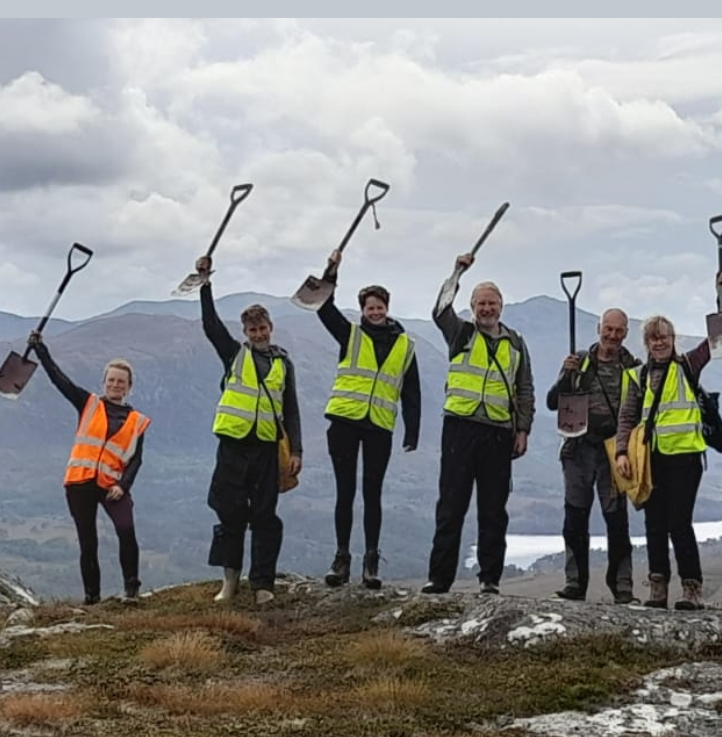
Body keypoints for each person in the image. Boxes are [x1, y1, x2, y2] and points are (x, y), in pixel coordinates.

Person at [423, 254, 535, 595]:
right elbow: (440, 311)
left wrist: (523, 429)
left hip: (499, 433)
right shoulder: (460, 333)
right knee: (451, 506)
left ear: (501, 306)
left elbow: (525, 388)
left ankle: (490, 579)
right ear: (471, 306)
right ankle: (439, 579)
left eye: (492, 303)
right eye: (481, 303)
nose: (487, 308)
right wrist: (457, 273)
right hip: (460, 428)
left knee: (493, 510)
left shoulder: (516, 342)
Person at [312, 250, 422, 589]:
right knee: (345, 492)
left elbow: (411, 391)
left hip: (378, 426)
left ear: (387, 308)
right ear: (362, 311)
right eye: (369, 307)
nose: (375, 312)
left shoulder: (405, 345)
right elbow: (323, 307)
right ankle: (341, 558)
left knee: (372, 494)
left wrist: (412, 430)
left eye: (379, 306)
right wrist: (331, 272)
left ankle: (371, 561)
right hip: (344, 422)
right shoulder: (350, 334)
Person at [196, 256, 303, 602]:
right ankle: (230, 581)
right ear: (245, 332)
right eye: (252, 330)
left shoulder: (283, 363)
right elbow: (211, 326)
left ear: (270, 327)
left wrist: (296, 450)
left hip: (266, 449)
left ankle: (262, 585)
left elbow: (291, 408)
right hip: (232, 447)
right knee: (230, 513)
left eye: (262, 328)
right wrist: (205, 285)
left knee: (264, 516)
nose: (258, 334)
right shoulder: (233, 355)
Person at [25, 333, 150, 606]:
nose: (116, 385)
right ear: (104, 382)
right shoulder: (89, 404)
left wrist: (122, 486)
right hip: (79, 483)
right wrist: (41, 351)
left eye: (121, 382)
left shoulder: (137, 421)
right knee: (88, 542)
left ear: (129, 387)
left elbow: (135, 460)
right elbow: (61, 381)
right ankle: (91, 598)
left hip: (112, 486)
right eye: (112, 380)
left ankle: (132, 588)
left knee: (126, 530)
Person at [614, 314, 715, 610]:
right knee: (654, 523)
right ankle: (658, 589)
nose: (659, 343)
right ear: (646, 343)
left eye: (664, 337)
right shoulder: (637, 375)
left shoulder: (688, 366)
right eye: (653, 338)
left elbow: (717, 340)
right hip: (651, 459)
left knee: (679, 523)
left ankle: (691, 589)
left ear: (673, 339)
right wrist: (621, 452)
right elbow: (627, 417)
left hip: (686, 458)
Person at [548, 307, 640, 603]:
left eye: (619, 331)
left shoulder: (633, 368)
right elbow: (553, 402)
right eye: (608, 329)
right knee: (575, 518)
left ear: (626, 333)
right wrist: (566, 376)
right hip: (578, 450)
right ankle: (575, 583)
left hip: (614, 452)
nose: (612, 336)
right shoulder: (579, 363)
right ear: (599, 328)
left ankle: (622, 586)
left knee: (617, 521)